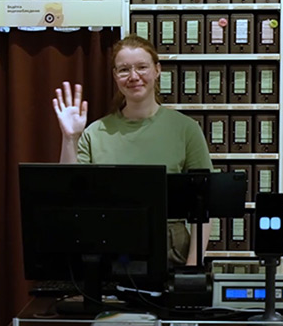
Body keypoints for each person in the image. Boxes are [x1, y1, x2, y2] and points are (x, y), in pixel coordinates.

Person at [53, 34, 213, 266]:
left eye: (142, 67)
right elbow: (71, 194)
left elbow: (205, 204)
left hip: (171, 252)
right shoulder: (95, 132)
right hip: (107, 249)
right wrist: (70, 138)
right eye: (124, 70)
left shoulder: (186, 129)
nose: (134, 76)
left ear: (157, 70)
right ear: (115, 76)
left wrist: (193, 266)